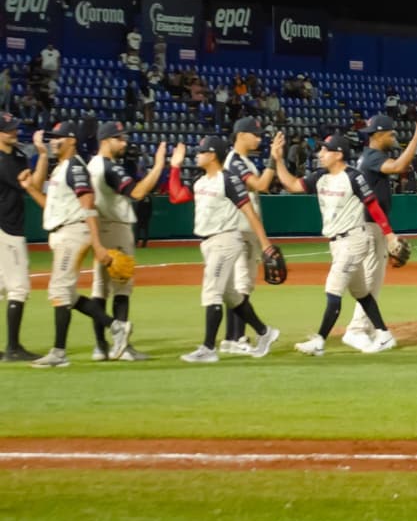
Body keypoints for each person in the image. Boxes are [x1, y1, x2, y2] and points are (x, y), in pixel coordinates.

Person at [271, 133, 401, 356]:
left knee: (333, 289)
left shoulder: (354, 177)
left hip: (353, 240)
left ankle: (319, 341)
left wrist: (390, 236)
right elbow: (293, 185)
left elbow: (373, 206)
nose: (320, 153)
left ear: (339, 154)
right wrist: (278, 160)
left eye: (325, 149)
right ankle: (383, 334)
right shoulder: (320, 176)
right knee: (361, 292)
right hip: (337, 243)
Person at [166, 137, 280, 362]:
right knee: (232, 296)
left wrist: (265, 244)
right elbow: (176, 196)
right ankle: (265, 333)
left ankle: (208, 349)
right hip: (207, 243)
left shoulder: (228, 180)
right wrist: (174, 167)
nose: (197, 155)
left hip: (226, 240)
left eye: (201, 152)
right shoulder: (201, 182)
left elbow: (249, 212)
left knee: (212, 291)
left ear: (212, 155)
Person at [30, 121, 129, 368]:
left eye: (58, 138)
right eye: (52, 138)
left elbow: (88, 206)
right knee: (68, 295)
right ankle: (116, 327)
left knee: (60, 290)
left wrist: (97, 244)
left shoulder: (75, 168)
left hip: (75, 231)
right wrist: (29, 187)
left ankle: (59, 352)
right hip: (63, 230)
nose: (54, 142)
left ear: (72, 140)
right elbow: (51, 206)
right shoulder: (60, 168)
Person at [342, 113, 417, 351]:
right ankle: (356, 330)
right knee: (371, 280)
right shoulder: (373, 157)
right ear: (378, 135)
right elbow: (398, 166)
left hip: (368, 225)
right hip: (369, 226)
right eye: (390, 133)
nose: (393, 137)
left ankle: (364, 328)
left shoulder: (368, 157)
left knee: (371, 279)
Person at [87, 121, 165, 361]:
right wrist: (159, 165)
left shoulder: (91, 165)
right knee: (122, 286)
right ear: (105, 141)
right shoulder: (109, 167)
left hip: (99, 227)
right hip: (116, 227)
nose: (124, 142)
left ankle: (100, 347)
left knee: (100, 288)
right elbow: (138, 192)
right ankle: (121, 347)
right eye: (118, 138)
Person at [218, 117, 278, 355]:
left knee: (237, 286)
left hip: (242, 229)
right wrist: (274, 157)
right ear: (241, 135)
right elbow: (261, 184)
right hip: (240, 228)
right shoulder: (236, 162)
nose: (259, 138)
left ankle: (231, 338)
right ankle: (237, 338)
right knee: (240, 285)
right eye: (255, 134)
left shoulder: (240, 161)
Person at [0, 113, 45, 361]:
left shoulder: (15, 155)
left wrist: (41, 156)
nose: (14, 132)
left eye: (15, 128)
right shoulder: (4, 161)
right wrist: (42, 156)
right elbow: (31, 186)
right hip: (7, 227)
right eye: (8, 130)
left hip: (6, 225)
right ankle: (13, 348)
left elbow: (33, 184)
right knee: (18, 287)